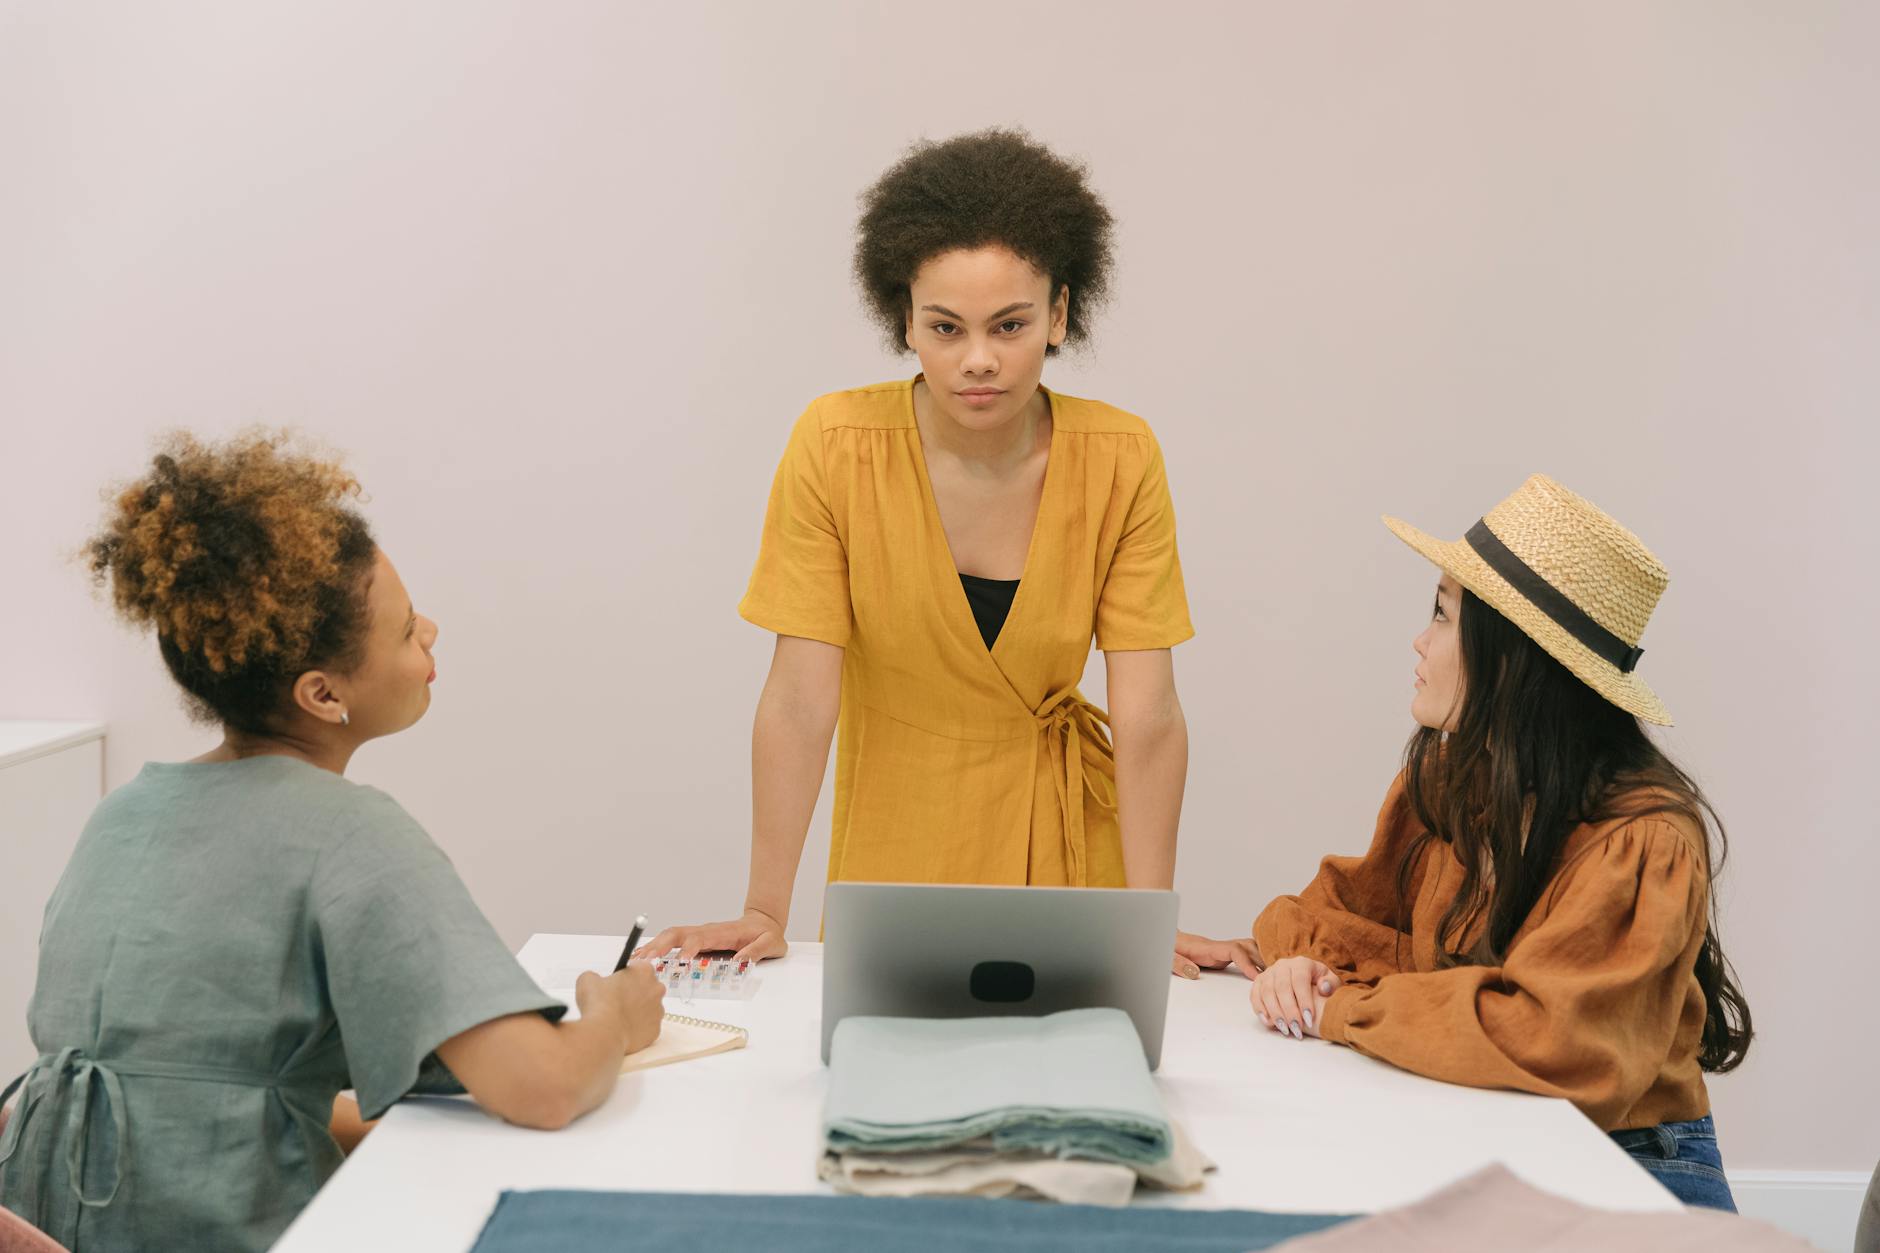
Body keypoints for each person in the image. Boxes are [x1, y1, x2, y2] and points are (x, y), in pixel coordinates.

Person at [0, 432, 665, 1251]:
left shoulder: (123, 813)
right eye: (404, 630)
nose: (432, 629)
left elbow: (188, 1096)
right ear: (322, 693)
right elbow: (547, 1085)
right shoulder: (348, 832)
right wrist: (618, 1017)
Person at [645, 129, 1248, 979]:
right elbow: (799, 698)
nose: (978, 361)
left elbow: (1148, 715)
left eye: (1011, 325)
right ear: (905, 319)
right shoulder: (835, 444)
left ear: (1061, 315)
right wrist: (763, 908)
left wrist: (1147, 918)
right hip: (896, 848)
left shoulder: (1122, 457)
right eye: (945, 326)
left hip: (1071, 864)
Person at [1237, 474, 1753, 1210]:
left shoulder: (1644, 840)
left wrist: (1343, 1005)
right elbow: (1344, 916)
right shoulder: (1452, 780)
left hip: (1633, 1162)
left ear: (1512, 658)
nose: (1419, 641)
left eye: (1443, 616)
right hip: (1489, 1132)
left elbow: (1546, 1039)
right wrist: (1291, 964)